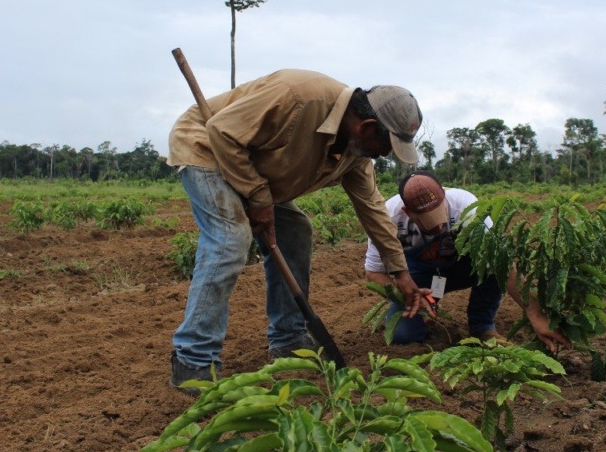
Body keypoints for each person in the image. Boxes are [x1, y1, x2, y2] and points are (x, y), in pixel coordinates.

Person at [166, 69, 431, 390]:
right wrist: (260, 198)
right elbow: (221, 131)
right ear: (367, 127)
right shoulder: (298, 96)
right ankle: (193, 357)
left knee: (296, 232)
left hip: (254, 169)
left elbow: (373, 208)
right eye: (386, 145)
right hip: (207, 147)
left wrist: (400, 272)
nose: (384, 154)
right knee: (230, 239)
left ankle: (288, 336)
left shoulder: (356, 154)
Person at [364, 171, 570, 351]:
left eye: (439, 218)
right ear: (407, 212)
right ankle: (430, 307)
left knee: (491, 266)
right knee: (404, 337)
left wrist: (535, 313)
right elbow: (373, 274)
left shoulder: (465, 205)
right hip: (420, 275)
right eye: (427, 222)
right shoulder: (388, 217)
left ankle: (482, 327)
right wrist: (408, 294)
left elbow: (501, 263)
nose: (437, 229)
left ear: (444, 197)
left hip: (462, 267)